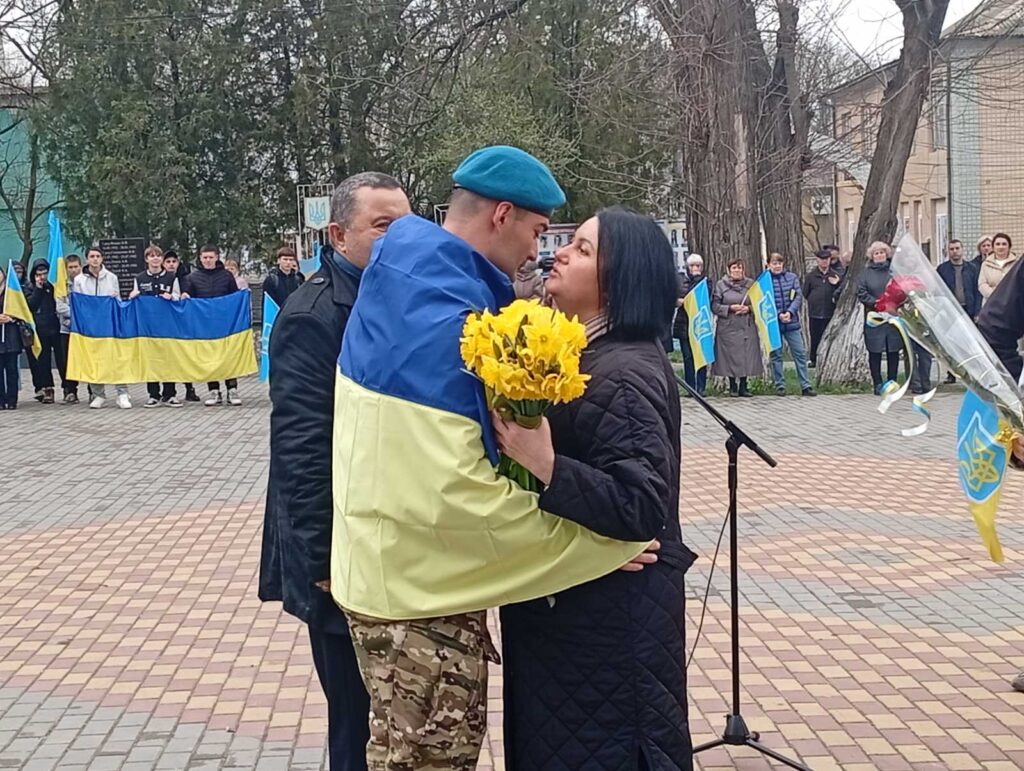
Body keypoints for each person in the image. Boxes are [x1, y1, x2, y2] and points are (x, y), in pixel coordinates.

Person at [333, 147, 649, 771]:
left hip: (381, 572)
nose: (538, 252)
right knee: (429, 759)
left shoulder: (407, 276)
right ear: (502, 215)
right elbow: (457, 498)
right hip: (415, 600)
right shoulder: (448, 322)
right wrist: (604, 547)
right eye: (536, 232)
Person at [497, 207, 697, 771]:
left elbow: (640, 505)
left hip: (606, 628)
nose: (560, 252)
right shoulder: (587, 355)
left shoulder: (623, 371)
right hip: (579, 611)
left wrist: (547, 465)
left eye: (583, 250)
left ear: (620, 277)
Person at [260, 172, 410, 771]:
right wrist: (324, 562)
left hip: (385, 549)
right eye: (381, 226)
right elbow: (300, 450)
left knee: (396, 717)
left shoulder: (395, 300)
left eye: (405, 225)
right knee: (357, 719)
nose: (398, 239)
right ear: (338, 234)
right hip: (337, 559)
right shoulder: (312, 315)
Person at [181, 244, 242, 406]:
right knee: (209, 357)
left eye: (211, 257)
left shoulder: (227, 276)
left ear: (217, 257)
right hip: (204, 325)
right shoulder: (192, 278)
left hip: (225, 324)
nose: (208, 260)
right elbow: (188, 296)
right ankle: (214, 391)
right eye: (205, 257)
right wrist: (185, 295)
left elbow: (235, 297)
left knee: (228, 356)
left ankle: (232, 389)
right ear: (200, 258)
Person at [72, 246, 131, 409]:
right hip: (90, 327)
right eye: (92, 256)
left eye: (98, 256)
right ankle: (98, 394)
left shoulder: (111, 277)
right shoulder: (79, 280)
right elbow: (78, 303)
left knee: (116, 358)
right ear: (87, 259)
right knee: (93, 359)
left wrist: (114, 298)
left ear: (102, 258)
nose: (95, 259)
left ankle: (122, 393)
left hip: (109, 325)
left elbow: (118, 299)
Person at [131, 245, 183, 407]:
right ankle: (153, 394)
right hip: (147, 327)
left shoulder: (171, 277)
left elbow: (178, 297)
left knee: (169, 359)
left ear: (161, 259)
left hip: (167, 326)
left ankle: (170, 394)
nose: (155, 259)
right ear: (146, 259)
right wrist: (132, 296)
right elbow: (134, 295)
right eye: (151, 256)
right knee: (150, 360)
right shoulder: (139, 278)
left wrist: (172, 297)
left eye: (158, 256)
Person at [767, 252, 816, 396]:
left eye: (779, 263)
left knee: (800, 353)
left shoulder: (792, 278)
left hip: (792, 322)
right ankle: (780, 385)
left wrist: (790, 312)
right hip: (774, 323)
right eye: (774, 263)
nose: (777, 266)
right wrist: (778, 314)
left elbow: (798, 296)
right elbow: (765, 301)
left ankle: (805, 385)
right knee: (776, 355)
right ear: (769, 265)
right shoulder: (765, 281)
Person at [711, 257, 761, 397]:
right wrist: (730, 308)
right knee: (729, 356)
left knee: (746, 356)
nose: (737, 270)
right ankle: (732, 385)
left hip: (746, 326)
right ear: (729, 270)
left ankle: (744, 386)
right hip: (728, 326)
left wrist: (749, 309)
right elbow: (714, 306)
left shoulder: (751, 284)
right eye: (734, 268)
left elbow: (759, 303)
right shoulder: (721, 285)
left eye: (739, 268)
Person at [858, 241, 902, 395]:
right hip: (875, 317)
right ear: (872, 256)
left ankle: (892, 382)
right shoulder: (866, 273)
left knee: (893, 350)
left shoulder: (894, 271)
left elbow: (902, 289)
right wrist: (876, 303)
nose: (880, 255)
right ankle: (877, 383)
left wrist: (893, 303)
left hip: (893, 316)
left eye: (882, 252)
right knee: (875, 351)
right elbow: (861, 291)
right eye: (876, 253)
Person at [163, 251, 199, 402]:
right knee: (167, 358)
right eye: (168, 261)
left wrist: (187, 296)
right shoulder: (161, 279)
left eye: (174, 261)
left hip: (183, 323)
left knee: (184, 356)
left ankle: (189, 388)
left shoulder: (187, 279)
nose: (171, 264)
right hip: (165, 324)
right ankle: (168, 390)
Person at [26, 261, 62, 404]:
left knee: (62, 360)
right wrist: (38, 288)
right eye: (38, 274)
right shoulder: (30, 288)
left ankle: (69, 389)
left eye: (44, 273)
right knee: (43, 361)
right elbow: (32, 305)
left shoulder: (54, 287)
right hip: (40, 329)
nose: (42, 277)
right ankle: (47, 389)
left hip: (56, 327)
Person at [803, 248, 843, 367]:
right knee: (815, 337)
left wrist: (837, 284)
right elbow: (805, 293)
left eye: (827, 259)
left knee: (830, 336)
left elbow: (841, 292)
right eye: (822, 259)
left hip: (830, 312)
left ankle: (829, 359)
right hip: (815, 312)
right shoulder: (811, 276)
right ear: (817, 260)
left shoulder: (836, 275)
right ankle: (814, 360)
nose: (824, 262)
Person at [675, 253, 707, 395]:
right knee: (687, 357)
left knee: (701, 356)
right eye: (692, 265)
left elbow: (706, 294)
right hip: (684, 324)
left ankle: (701, 386)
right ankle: (690, 387)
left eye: (698, 265)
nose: (695, 268)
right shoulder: (681, 281)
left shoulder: (705, 281)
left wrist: (697, 278)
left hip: (700, 324)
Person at [56, 254, 82, 403]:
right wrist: (78, 315)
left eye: (76, 267)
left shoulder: (87, 283)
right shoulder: (62, 285)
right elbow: (60, 307)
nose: (73, 270)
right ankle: (70, 391)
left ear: (80, 266)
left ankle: (93, 391)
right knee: (67, 361)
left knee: (87, 360)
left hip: (85, 330)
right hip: (66, 328)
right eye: (70, 267)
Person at [0, 265, 24, 410]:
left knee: (12, 369)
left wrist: (11, 318)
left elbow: (22, 310)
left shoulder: (12, 291)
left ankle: (12, 399)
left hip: (11, 334)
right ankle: (1, 400)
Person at [979, 233, 1018, 302]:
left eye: (1004, 244)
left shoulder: (1017, 263)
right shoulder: (986, 264)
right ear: (993, 247)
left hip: (1012, 302)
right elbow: (982, 284)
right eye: (997, 244)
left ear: (1009, 246)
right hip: (991, 303)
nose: (1001, 247)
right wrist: (995, 295)